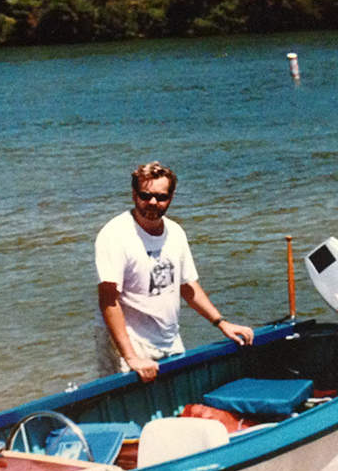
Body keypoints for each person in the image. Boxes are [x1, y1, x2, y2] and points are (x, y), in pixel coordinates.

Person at [94, 161, 254, 382]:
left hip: (169, 340)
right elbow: (108, 301)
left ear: (171, 197)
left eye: (161, 197)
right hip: (130, 345)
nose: (152, 203)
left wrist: (222, 323)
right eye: (145, 195)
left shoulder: (175, 232)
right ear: (133, 194)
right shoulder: (115, 235)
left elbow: (188, 287)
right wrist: (131, 357)